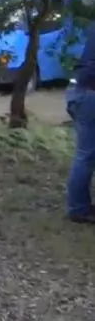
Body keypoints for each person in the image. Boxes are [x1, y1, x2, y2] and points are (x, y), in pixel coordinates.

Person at [65, 20, 95, 223]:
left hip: (80, 93)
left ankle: (79, 207)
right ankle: (78, 209)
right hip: (91, 95)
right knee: (86, 156)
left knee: (84, 154)